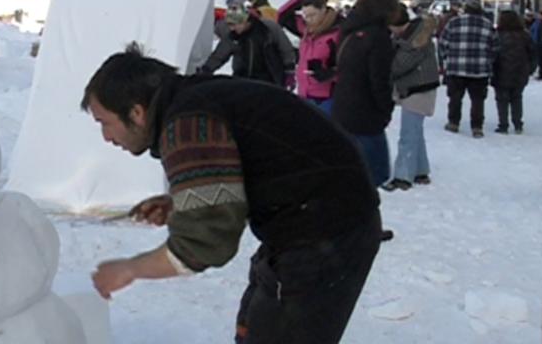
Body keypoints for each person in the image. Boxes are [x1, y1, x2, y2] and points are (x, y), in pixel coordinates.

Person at [83, 44, 382, 343]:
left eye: (104, 123)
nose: (106, 137)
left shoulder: (189, 123)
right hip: (314, 218)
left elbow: (208, 242)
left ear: (136, 112)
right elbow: (260, 161)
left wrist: (131, 268)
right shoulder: (198, 98)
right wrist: (184, 201)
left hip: (327, 232)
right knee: (254, 327)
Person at [332, 0, 399, 188]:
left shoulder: (349, 32)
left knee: (351, 173)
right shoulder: (378, 37)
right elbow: (379, 80)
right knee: (375, 175)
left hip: (344, 109)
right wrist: (386, 109)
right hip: (367, 116)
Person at [384, 4, 439, 191]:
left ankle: (403, 176)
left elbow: (398, 66)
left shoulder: (415, 41)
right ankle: (421, 171)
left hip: (418, 88)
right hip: (419, 87)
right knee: (415, 130)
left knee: (408, 133)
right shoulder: (415, 34)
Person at [439, 0, 498, 138]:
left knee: (455, 97)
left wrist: (448, 57)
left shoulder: (453, 23)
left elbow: (442, 43)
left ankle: (453, 123)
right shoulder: (487, 24)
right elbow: (495, 47)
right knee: (478, 100)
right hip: (479, 70)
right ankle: (477, 127)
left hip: (456, 68)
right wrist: (488, 61)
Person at [197, 3, 295, 87]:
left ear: (245, 21)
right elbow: (219, 55)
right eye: (230, 25)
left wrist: (289, 71)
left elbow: (286, 49)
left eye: (234, 24)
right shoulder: (233, 36)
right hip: (243, 80)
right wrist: (206, 70)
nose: (232, 28)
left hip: (270, 79)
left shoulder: (268, 29)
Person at [277, 0, 341, 113]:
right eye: (305, 15)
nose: (309, 19)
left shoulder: (337, 33)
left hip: (327, 98)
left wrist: (330, 74)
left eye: (313, 15)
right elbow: (282, 16)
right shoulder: (306, 29)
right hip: (305, 94)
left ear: (323, 9)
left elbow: (350, 66)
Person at [492, 10, 536, 134]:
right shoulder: (524, 35)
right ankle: (518, 124)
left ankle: (503, 124)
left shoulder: (497, 35)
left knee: (502, 99)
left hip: (501, 71)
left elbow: (493, 53)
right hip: (520, 72)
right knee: (517, 98)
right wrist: (530, 69)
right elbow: (533, 53)